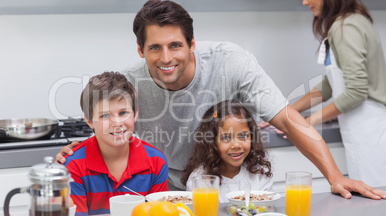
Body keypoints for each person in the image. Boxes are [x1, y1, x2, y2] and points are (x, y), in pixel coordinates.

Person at [56, 0, 386, 199]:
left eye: (175, 45)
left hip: (218, 183)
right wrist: (83, 145)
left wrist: (334, 176)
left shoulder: (232, 63)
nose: (166, 57)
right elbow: (111, 120)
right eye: (154, 48)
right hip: (162, 185)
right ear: (141, 50)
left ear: (192, 43)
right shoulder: (132, 80)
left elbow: (286, 118)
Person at [262, 0, 386, 187]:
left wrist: (309, 121)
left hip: (368, 130)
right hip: (362, 127)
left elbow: (356, 91)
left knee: (372, 199)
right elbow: (331, 85)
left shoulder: (346, 27)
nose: (304, 2)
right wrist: (287, 112)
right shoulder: (351, 22)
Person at [64, 72, 168, 215]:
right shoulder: (74, 166)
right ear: (89, 121)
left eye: (123, 113)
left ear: (135, 113)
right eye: (105, 115)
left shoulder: (156, 162)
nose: (117, 123)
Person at [181, 100, 273, 202]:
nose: (236, 145)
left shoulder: (260, 173)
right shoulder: (199, 180)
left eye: (243, 136)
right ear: (212, 142)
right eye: (226, 138)